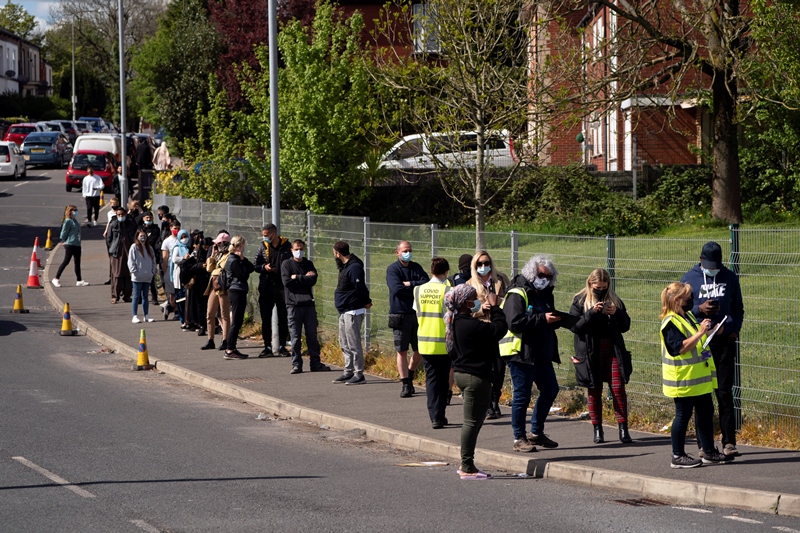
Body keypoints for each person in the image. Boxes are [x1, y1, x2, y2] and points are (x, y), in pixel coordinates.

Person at [660, 282, 734, 468]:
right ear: (677, 300)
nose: (692, 300)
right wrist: (701, 332)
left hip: (698, 380)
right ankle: (677, 455)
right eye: (688, 297)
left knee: (706, 412)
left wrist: (707, 328)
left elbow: (695, 336)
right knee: (682, 416)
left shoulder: (687, 315)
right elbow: (680, 347)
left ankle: (708, 451)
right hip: (683, 379)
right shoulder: (670, 322)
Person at [681, 241, 744, 457]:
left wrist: (733, 329)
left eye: (716, 265)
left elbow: (738, 307)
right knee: (702, 394)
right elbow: (681, 309)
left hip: (724, 341)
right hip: (701, 343)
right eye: (709, 265)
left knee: (724, 392)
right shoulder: (689, 279)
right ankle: (704, 444)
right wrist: (700, 309)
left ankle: (729, 442)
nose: (713, 268)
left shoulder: (729, 277)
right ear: (700, 260)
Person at [500, 255, 562, 453]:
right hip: (521, 353)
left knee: (551, 389)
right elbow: (514, 322)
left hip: (541, 353)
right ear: (532, 272)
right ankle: (519, 437)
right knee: (522, 396)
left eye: (548, 276)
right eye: (541, 274)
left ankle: (536, 432)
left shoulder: (545, 294)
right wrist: (542, 318)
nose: (544, 279)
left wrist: (558, 320)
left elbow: (544, 318)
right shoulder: (517, 293)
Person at [445, 284, 507, 478]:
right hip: (475, 378)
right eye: (473, 298)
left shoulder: (456, 322)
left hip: (463, 374)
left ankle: (467, 464)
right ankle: (466, 466)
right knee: (471, 422)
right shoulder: (470, 325)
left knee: (475, 420)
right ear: (465, 303)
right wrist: (495, 307)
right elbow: (499, 329)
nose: (475, 301)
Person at [569, 268, 633, 444]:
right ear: (591, 284)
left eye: (604, 287)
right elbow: (575, 327)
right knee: (594, 390)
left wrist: (616, 313)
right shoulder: (580, 300)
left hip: (612, 349)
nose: (601, 290)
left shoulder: (614, 300)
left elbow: (626, 325)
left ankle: (623, 429)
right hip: (591, 352)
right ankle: (597, 429)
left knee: (618, 388)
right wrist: (591, 313)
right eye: (598, 287)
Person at [467, 250, 510, 420]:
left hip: (499, 328)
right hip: (482, 331)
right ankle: (487, 404)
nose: (484, 267)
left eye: (486, 263)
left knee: (499, 369)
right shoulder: (470, 284)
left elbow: (510, 300)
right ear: (474, 266)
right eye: (480, 264)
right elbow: (467, 311)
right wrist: (480, 309)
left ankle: (495, 401)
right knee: (485, 370)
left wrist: (496, 303)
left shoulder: (501, 279)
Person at [386, 240, 429, 397]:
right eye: (405, 250)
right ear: (397, 252)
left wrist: (410, 284)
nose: (407, 253)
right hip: (399, 314)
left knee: (420, 349)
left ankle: (410, 373)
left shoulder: (416, 267)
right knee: (402, 350)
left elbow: (426, 283)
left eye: (409, 250)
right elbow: (397, 289)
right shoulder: (392, 270)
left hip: (416, 314)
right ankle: (405, 383)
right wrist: (415, 289)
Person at [281, 239, 330, 374]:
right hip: (293, 305)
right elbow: (287, 282)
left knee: (312, 335)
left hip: (308, 304)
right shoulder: (286, 264)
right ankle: (296, 364)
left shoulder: (308, 263)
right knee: (295, 337)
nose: (299, 251)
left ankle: (315, 363)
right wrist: (304, 279)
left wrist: (297, 277)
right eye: (296, 249)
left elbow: (313, 279)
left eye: (301, 249)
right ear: (291, 250)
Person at [413, 257, 452, 428]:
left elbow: (417, 314)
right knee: (443, 381)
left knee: (431, 380)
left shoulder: (419, 290)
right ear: (446, 272)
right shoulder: (448, 290)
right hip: (443, 343)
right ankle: (440, 415)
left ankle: (434, 416)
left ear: (431, 271)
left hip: (425, 343)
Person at [332, 241, 372, 385]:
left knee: (354, 343)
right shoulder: (345, 266)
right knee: (344, 342)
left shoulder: (354, 267)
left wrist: (366, 300)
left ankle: (358, 373)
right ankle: (348, 371)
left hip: (353, 311)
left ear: (338, 253)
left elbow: (360, 287)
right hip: (344, 310)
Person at [254, 223, 293, 358]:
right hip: (266, 287)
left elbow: (293, 263)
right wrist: (264, 267)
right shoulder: (262, 246)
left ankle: (282, 346)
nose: (264, 238)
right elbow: (256, 265)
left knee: (283, 318)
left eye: (266, 235)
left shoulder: (287, 246)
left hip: (282, 287)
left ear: (273, 234)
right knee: (266, 318)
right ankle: (267, 347)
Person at [224, 235, 255, 360]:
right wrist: (242, 262)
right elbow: (243, 275)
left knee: (238, 320)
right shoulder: (233, 260)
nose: (244, 247)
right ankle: (229, 349)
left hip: (239, 290)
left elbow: (251, 268)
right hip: (236, 290)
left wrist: (243, 259)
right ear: (239, 246)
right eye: (243, 245)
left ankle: (232, 347)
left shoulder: (238, 259)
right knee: (236, 321)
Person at [201, 232, 232, 351]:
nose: (217, 246)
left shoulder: (229, 255)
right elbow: (209, 269)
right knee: (210, 313)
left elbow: (222, 268)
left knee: (224, 314)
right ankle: (210, 339)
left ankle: (225, 339)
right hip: (214, 285)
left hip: (223, 286)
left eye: (219, 244)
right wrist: (212, 255)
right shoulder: (218, 255)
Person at [52, 205, 90, 288]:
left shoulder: (74, 221)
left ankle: (79, 280)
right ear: (70, 211)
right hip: (70, 244)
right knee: (66, 261)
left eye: (76, 210)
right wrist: (64, 241)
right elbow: (63, 232)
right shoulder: (68, 221)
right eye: (74, 210)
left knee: (77, 263)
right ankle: (56, 278)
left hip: (77, 244)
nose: (76, 212)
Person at [106, 205, 137, 303]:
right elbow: (109, 239)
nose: (121, 216)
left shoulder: (131, 224)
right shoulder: (113, 224)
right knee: (117, 275)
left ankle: (127, 295)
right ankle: (115, 296)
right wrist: (111, 251)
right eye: (118, 214)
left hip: (129, 253)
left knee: (129, 275)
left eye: (122, 214)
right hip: (117, 253)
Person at [127, 228, 157, 323]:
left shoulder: (149, 248)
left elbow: (153, 260)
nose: (143, 238)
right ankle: (134, 315)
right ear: (137, 236)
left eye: (144, 236)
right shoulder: (134, 247)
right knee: (136, 296)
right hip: (137, 277)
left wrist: (152, 271)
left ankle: (146, 315)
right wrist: (134, 271)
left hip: (147, 276)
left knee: (145, 296)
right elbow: (130, 261)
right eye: (141, 236)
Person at [171, 229, 193, 327]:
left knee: (188, 300)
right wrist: (183, 258)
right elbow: (174, 259)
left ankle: (189, 319)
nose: (184, 239)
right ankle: (182, 320)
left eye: (186, 236)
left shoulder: (189, 247)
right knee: (180, 299)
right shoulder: (177, 247)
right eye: (182, 237)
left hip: (188, 275)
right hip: (179, 275)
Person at [160, 220, 181, 320]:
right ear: (170, 228)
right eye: (175, 228)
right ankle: (172, 307)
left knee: (179, 290)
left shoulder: (182, 239)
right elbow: (165, 257)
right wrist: (165, 272)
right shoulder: (167, 241)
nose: (176, 230)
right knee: (172, 291)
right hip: (170, 267)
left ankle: (172, 307)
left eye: (178, 228)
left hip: (180, 268)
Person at [139, 211, 162, 304]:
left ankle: (154, 297)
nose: (148, 220)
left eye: (150, 218)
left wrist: (148, 244)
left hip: (152, 253)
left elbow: (154, 239)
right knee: (141, 276)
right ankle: (140, 297)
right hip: (141, 254)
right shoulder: (140, 228)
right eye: (146, 218)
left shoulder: (156, 229)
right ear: (143, 219)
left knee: (152, 276)